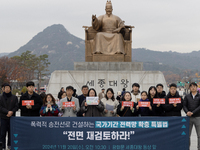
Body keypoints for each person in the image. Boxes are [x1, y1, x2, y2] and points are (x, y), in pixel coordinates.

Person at [0, 83, 18, 150]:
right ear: (3, 89)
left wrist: (11, 112)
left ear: (10, 89)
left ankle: (10, 145)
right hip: (3, 117)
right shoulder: (0, 97)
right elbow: (0, 107)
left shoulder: (14, 97)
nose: (7, 89)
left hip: (12, 118)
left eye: (8, 87)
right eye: (6, 88)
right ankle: (2, 146)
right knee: (2, 133)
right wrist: (7, 112)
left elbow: (16, 106)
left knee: (11, 132)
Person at [183, 82, 200, 150]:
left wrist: (193, 112)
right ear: (189, 88)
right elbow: (184, 105)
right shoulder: (187, 96)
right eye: (191, 86)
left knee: (199, 135)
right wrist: (187, 112)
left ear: (196, 87)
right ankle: (187, 147)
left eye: (194, 86)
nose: (193, 87)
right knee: (187, 135)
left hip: (198, 117)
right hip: (189, 118)